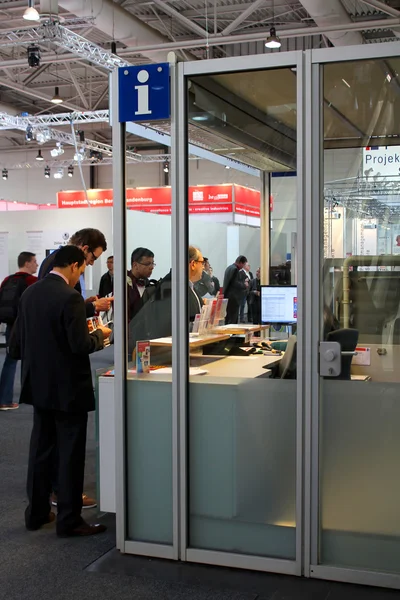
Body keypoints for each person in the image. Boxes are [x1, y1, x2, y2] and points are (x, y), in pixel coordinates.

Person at [9, 246, 112, 536]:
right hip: (67, 387)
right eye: (82, 268)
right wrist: (100, 338)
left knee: (41, 450)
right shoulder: (70, 298)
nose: (82, 272)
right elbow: (79, 345)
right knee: (69, 454)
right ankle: (68, 519)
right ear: (75, 265)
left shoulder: (31, 293)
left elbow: (17, 344)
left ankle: (37, 513)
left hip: (37, 384)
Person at [39, 228, 112, 317]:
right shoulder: (57, 262)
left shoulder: (57, 259)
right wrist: (93, 306)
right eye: (93, 258)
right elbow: (56, 309)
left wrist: (83, 304)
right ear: (85, 249)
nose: (92, 263)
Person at [0, 252, 38, 411]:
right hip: (29, 327)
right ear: (27, 263)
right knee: (34, 361)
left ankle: (4, 399)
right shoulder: (33, 281)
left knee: (10, 361)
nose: (37, 265)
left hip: (11, 326)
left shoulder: (7, 280)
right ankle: (33, 395)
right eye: (35, 262)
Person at [127, 247, 155, 322]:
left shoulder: (148, 284)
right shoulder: (124, 285)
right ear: (135, 265)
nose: (152, 267)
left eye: (152, 263)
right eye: (148, 264)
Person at [223, 255, 249, 324]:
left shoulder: (229, 268)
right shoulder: (235, 269)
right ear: (240, 263)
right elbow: (235, 283)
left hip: (228, 296)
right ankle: (233, 334)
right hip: (233, 298)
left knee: (228, 317)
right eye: (243, 264)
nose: (243, 267)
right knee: (233, 319)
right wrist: (244, 285)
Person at [189, 246, 205, 319]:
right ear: (193, 264)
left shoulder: (190, 286)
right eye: (202, 263)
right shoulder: (175, 287)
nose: (203, 267)